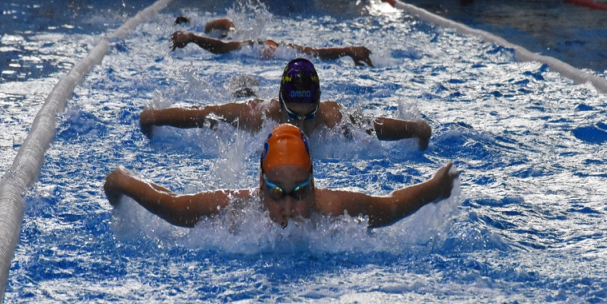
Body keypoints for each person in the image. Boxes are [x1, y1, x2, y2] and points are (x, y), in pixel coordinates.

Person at [104, 123, 459, 229]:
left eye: (299, 192)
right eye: (277, 193)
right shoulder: (238, 212)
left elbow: (389, 206)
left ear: (313, 184)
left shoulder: (330, 208)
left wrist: (433, 189)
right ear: (261, 187)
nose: (289, 206)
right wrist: (122, 181)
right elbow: (174, 206)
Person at [140, 57, 433, 149]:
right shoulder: (257, 116)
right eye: (293, 116)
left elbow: (374, 126)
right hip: (246, 99)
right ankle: (244, 84)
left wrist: (416, 129)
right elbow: (201, 114)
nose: (302, 127)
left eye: (309, 116)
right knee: (237, 97)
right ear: (281, 106)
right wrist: (154, 117)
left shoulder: (330, 118)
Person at [170, 30, 373, 67]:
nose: (267, 53)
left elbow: (319, 54)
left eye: (271, 49)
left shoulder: (288, 50)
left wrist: (348, 50)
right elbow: (221, 48)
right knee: (228, 28)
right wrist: (192, 37)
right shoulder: (247, 47)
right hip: (233, 37)